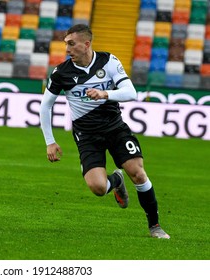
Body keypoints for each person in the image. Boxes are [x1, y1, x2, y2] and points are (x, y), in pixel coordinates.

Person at [39, 24, 170, 239]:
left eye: (71, 44)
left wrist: (105, 94)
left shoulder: (108, 61)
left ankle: (155, 226)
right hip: (87, 135)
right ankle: (116, 182)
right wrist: (50, 141)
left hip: (115, 128)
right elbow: (46, 106)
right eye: (66, 44)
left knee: (137, 172)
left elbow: (131, 92)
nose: (67, 49)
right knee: (98, 187)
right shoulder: (61, 72)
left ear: (86, 44)